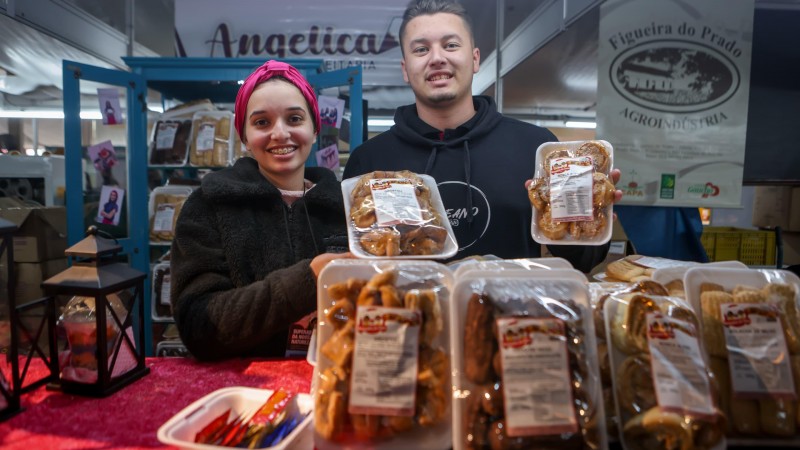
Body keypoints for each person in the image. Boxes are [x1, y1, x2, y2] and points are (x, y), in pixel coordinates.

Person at [343, 0, 622, 272]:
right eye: (421, 49)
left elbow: (582, 260)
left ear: (475, 59)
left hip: (511, 316)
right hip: (409, 316)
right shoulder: (369, 161)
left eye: (451, 45)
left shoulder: (535, 148)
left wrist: (594, 212)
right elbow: (352, 263)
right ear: (405, 69)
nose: (437, 58)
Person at [170, 60, 351, 361]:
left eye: (294, 119)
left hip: (332, 382)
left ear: (315, 129)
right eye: (262, 123)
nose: (280, 134)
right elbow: (197, 326)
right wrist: (308, 279)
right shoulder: (208, 206)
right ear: (243, 137)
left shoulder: (347, 208)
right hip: (243, 389)